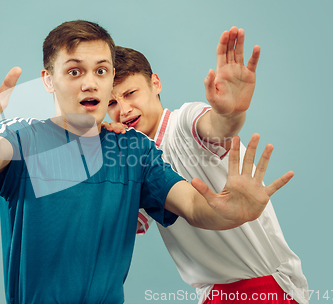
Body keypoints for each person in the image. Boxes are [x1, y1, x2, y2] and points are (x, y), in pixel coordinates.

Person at [0, 20, 294, 304]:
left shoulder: (136, 151)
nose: (90, 82)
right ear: (48, 80)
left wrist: (233, 213)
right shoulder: (25, 136)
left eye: (101, 71)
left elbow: (195, 206)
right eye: (74, 71)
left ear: (111, 76)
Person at [105, 28, 308, 304]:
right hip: (212, 294)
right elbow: (117, 224)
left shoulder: (185, 121)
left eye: (130, 93)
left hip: (265, 284)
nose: (124, 109)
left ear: (155, 83)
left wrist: (230, 113)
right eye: (111, 103)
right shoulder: (132, 160)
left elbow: (217, 127)